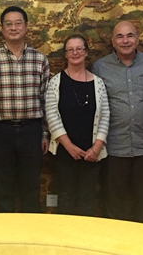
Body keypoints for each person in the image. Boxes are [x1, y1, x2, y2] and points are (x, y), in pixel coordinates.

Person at [91, 21, 143, 224]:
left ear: (138, 39)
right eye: (120, 36)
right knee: (113, 200)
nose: (125, 41)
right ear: (113, 41)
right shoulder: (100, 67)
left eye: (130, 35)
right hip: (113, 144)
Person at [0, 6, 50, 213]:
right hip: (0, 131)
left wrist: (45, 133)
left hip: (31, 130)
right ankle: (5, 230)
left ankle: (31, 231)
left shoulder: (40, 59)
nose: (13, 27)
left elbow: (46, 99)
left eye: (18, 23)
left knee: (31, 187)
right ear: (2, 28)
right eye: (8, 24)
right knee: (3, 189)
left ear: (26, 27)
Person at [46, 34, 110, 216]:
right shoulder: (56, 82)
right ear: (65, 54)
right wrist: (69, 147)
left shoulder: (98, 83)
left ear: (86, 52)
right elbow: (51, 116)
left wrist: (96, 148)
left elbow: (105, 115)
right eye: (70, 50)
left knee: (88, 199)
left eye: (79, 49)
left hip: (92, 153)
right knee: (66, 198)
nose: (75, 53)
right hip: (64, 152)